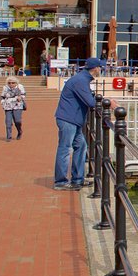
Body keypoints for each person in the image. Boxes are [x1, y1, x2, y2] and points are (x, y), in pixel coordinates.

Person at [53, 57, 103, 190]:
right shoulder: (81, 81)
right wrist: (110, 104)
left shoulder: (82, 78)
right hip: (68, 119)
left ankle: (78, 179)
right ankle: (61, 182)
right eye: (100, 67)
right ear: (96, 68)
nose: (101, 70)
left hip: (73, 119)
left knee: (81, 146)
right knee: (65, 148)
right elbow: (91, 102)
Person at [0, 76, 26, 141]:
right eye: (9, 83)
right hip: (8, 106)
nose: (11, 84)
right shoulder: (5, 88)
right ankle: (9, 136)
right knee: (8, 122)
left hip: (17, 106)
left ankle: (19, 131)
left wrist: (21, 98)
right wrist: (2, 103)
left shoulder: (20, 87)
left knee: (17, 121)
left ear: (16, 83)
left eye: (13, 83)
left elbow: (24, 94)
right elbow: (2, 97)